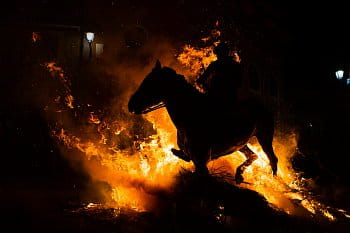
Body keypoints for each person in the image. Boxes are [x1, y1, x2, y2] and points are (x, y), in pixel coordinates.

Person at [196, 42, 242, 115]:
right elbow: (240, 83)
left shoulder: (215, 64)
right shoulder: (235, 65)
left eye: (218, 53)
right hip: (230, 100)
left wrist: (207, 89)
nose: (218, 56)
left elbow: (201, 80)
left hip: (216, 100)